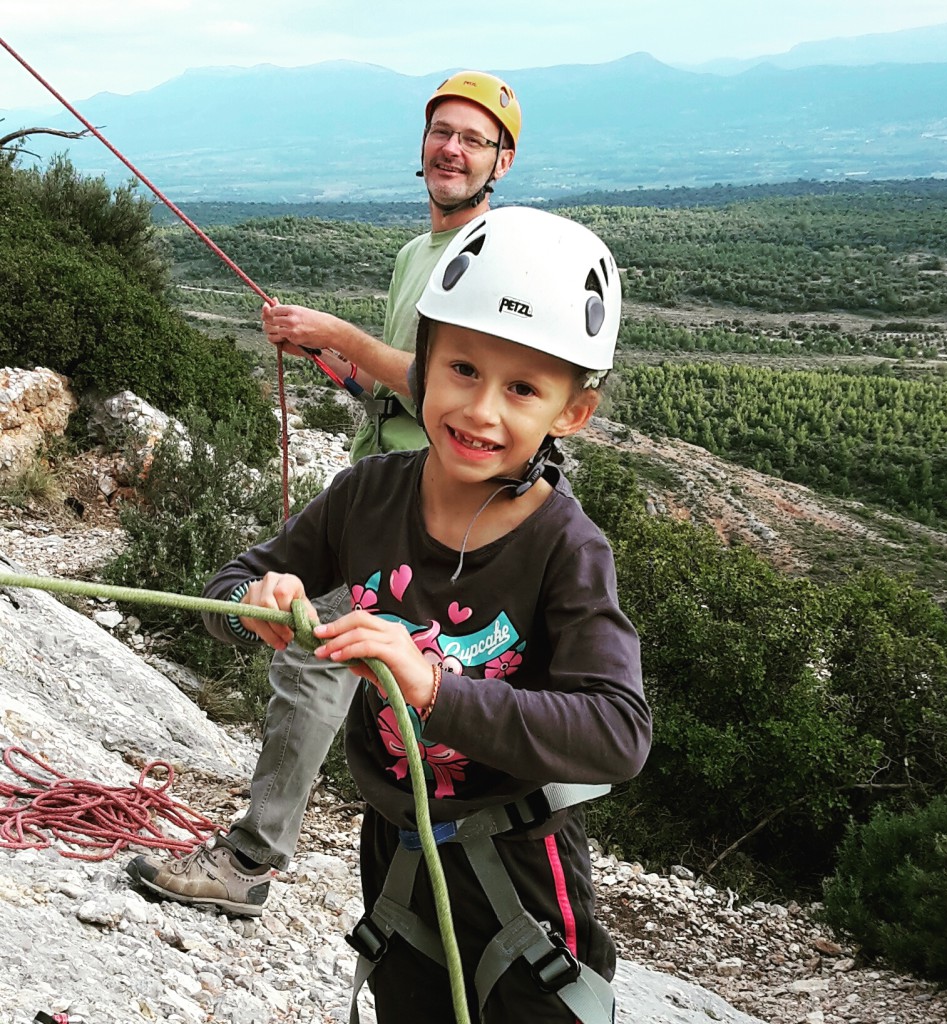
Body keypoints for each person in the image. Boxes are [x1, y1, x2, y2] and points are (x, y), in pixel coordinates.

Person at [197, 206, 651, 1023]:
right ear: (422, 372)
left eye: (523, 389)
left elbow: (617, 735)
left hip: (519, 864)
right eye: (463, 371)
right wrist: (253, 605)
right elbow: (230, 589)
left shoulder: (567, 547)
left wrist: (434, 688)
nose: (481, 411)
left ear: (570, 413)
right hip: (396, 850)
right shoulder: (369, 496)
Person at [126, 71, 523, 915]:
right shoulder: (418, 253)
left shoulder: (490, 258)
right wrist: (340, 367)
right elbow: (399, 392)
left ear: (502, 161)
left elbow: (447, 392)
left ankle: (249, 863)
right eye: (441, 133)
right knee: (332, 642)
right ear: (423, 149)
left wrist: (337, 333)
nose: (451, 149)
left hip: (436, 509)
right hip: (388, 487)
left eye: (472, 139)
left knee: (317, 641)